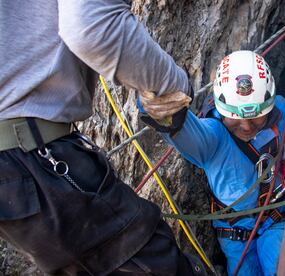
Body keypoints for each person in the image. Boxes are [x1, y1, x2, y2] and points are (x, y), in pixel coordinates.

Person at [0, 0, 204, 275]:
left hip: (20, 166)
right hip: (31, 152)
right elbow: (91, 25)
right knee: (154, 261)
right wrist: (174, 87)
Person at [138, 50, 285, 275]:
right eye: (237, 117)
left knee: (280, 261)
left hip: (278, 222)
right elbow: (181, 129)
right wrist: (159, 109)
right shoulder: (212, 137)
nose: (247, 126)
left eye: (256, 116)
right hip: (235, 238)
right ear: (220, 108)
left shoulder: (281, 113)